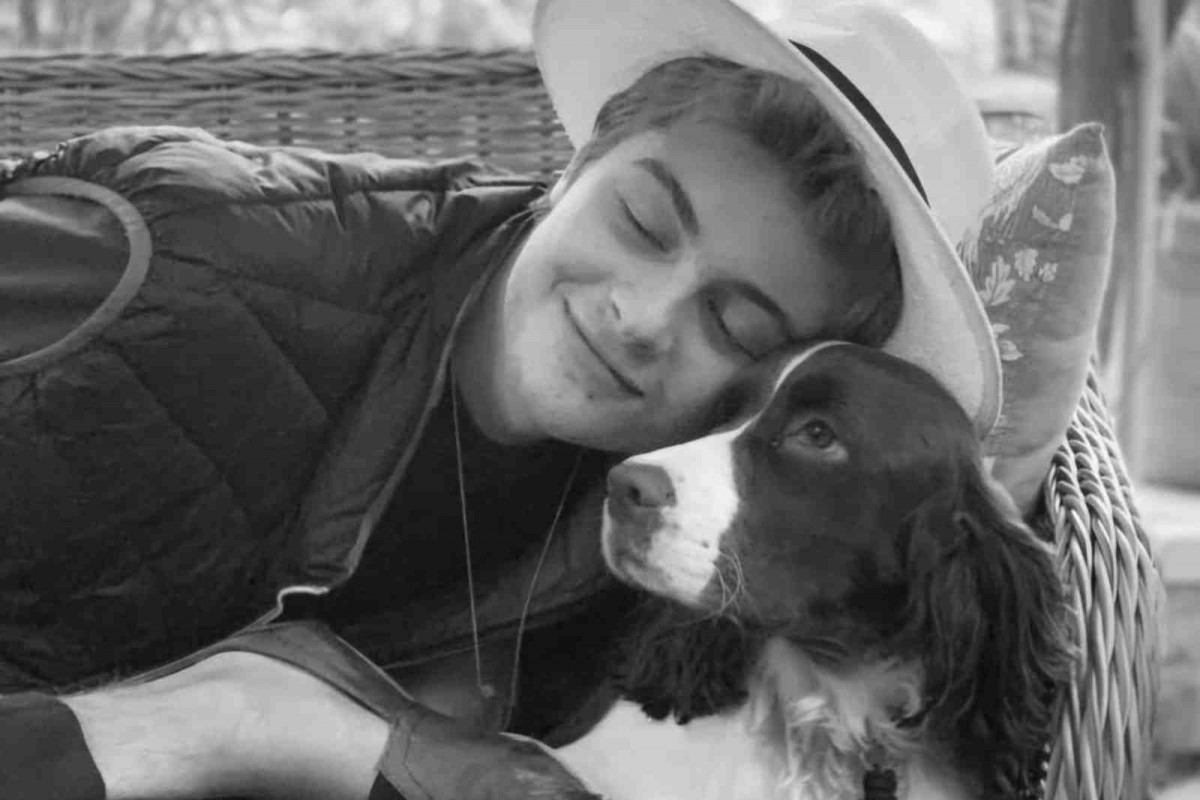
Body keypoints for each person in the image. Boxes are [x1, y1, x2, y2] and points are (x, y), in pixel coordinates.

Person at [0, 0, 1001, 797]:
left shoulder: (685, 541)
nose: (642, 315)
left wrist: (294, 732)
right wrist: (218, 726)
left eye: (734, 327)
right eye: (641, 220)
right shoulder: (171, 261)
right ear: (578, 160)